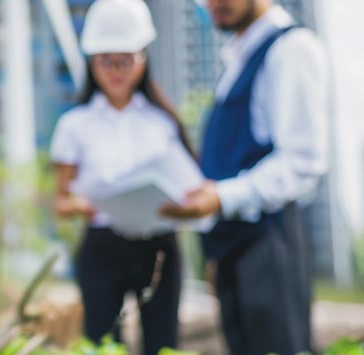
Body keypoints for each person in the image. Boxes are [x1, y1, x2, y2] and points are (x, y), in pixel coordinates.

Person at [160, 0, 330, 354]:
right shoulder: (236, 56)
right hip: (233, 248)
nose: (213, 5)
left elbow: (302, 161)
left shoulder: (291, 49)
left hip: (269, 245)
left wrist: (221, 198)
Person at [50, 1, 193, 353]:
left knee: (163, 344)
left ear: (143, 59)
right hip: (102, 247)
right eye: (105, 60)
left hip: (159, 245)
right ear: (91, 63)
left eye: (125, 59)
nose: (116, 70)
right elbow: (61, 202)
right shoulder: (74, 125)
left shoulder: (163, 121)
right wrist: (87, 205)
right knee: (101, 342)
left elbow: (189, 187)